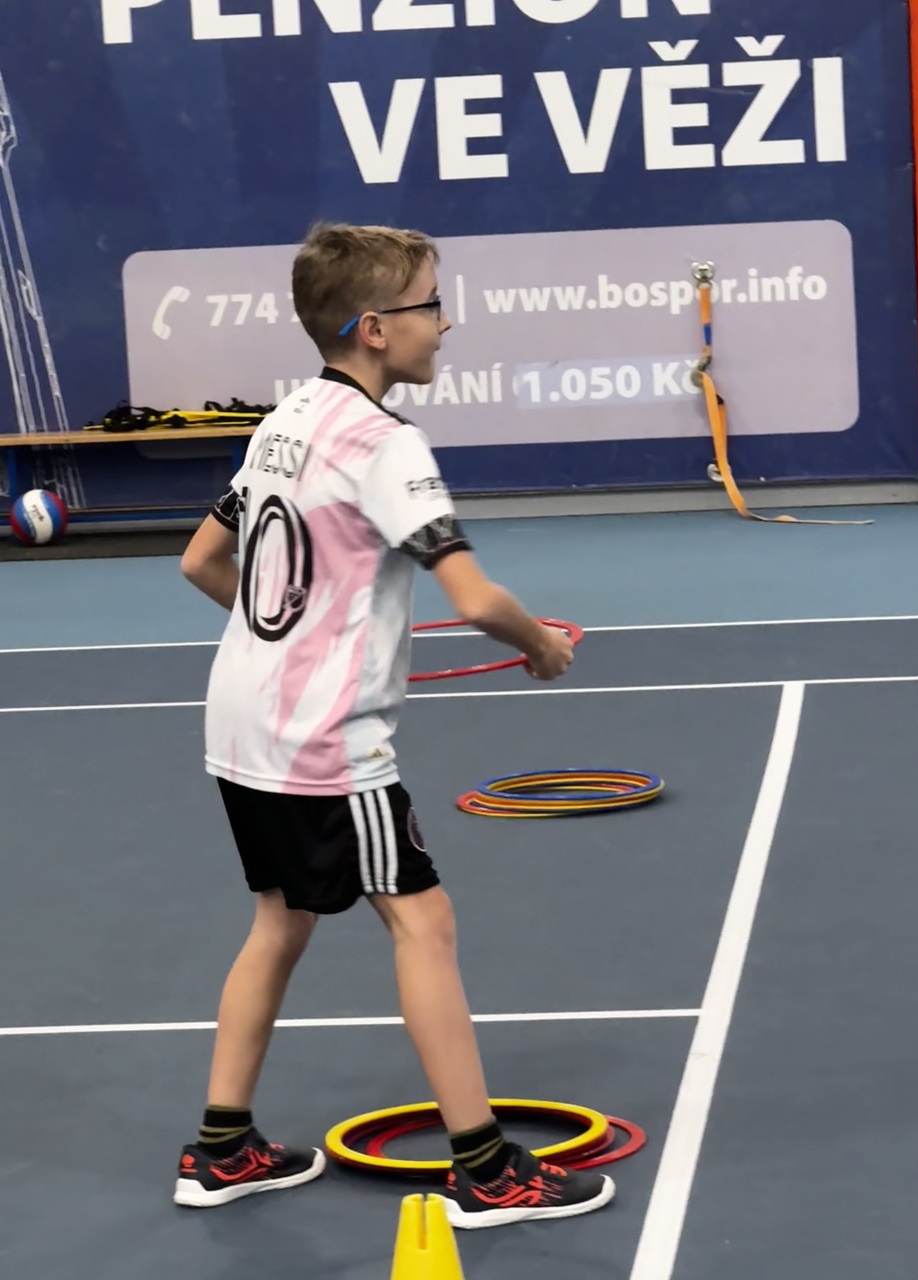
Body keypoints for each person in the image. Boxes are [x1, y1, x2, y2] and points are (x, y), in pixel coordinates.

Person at [173, 222, 615, 1230]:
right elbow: (474, 595)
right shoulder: (387, 444)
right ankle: (486, 1170)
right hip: (325, 738)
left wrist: (289, 637)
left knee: (281, 917)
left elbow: (201, 561)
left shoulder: (284, 420)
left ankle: (223, 1147)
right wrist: (540, 645)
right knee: (424, 919)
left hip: (239, 723)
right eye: (430, 304)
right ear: (374, 327)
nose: (444, 322)